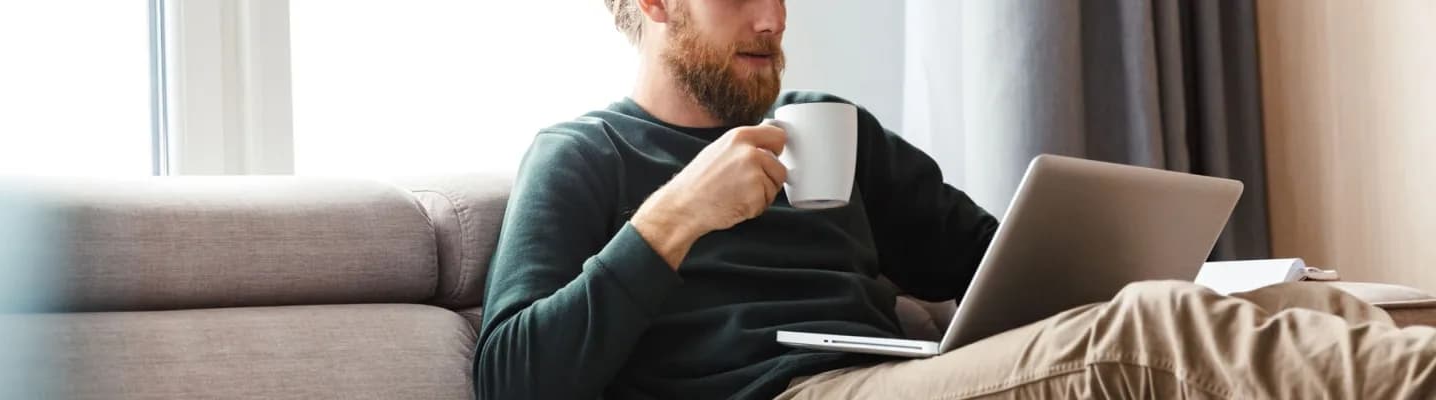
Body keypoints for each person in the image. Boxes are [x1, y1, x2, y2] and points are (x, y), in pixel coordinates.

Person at [472, 0, 1436, 398]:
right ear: (650, 5)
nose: (773, 18)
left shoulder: (827, 123)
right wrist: (675, 216)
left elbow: (988, 261)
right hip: (786, 399)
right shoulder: (584, 155)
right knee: (1141, 332)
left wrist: (1088, 244)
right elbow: (514, 374)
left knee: (1284, 305)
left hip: (891, 373)